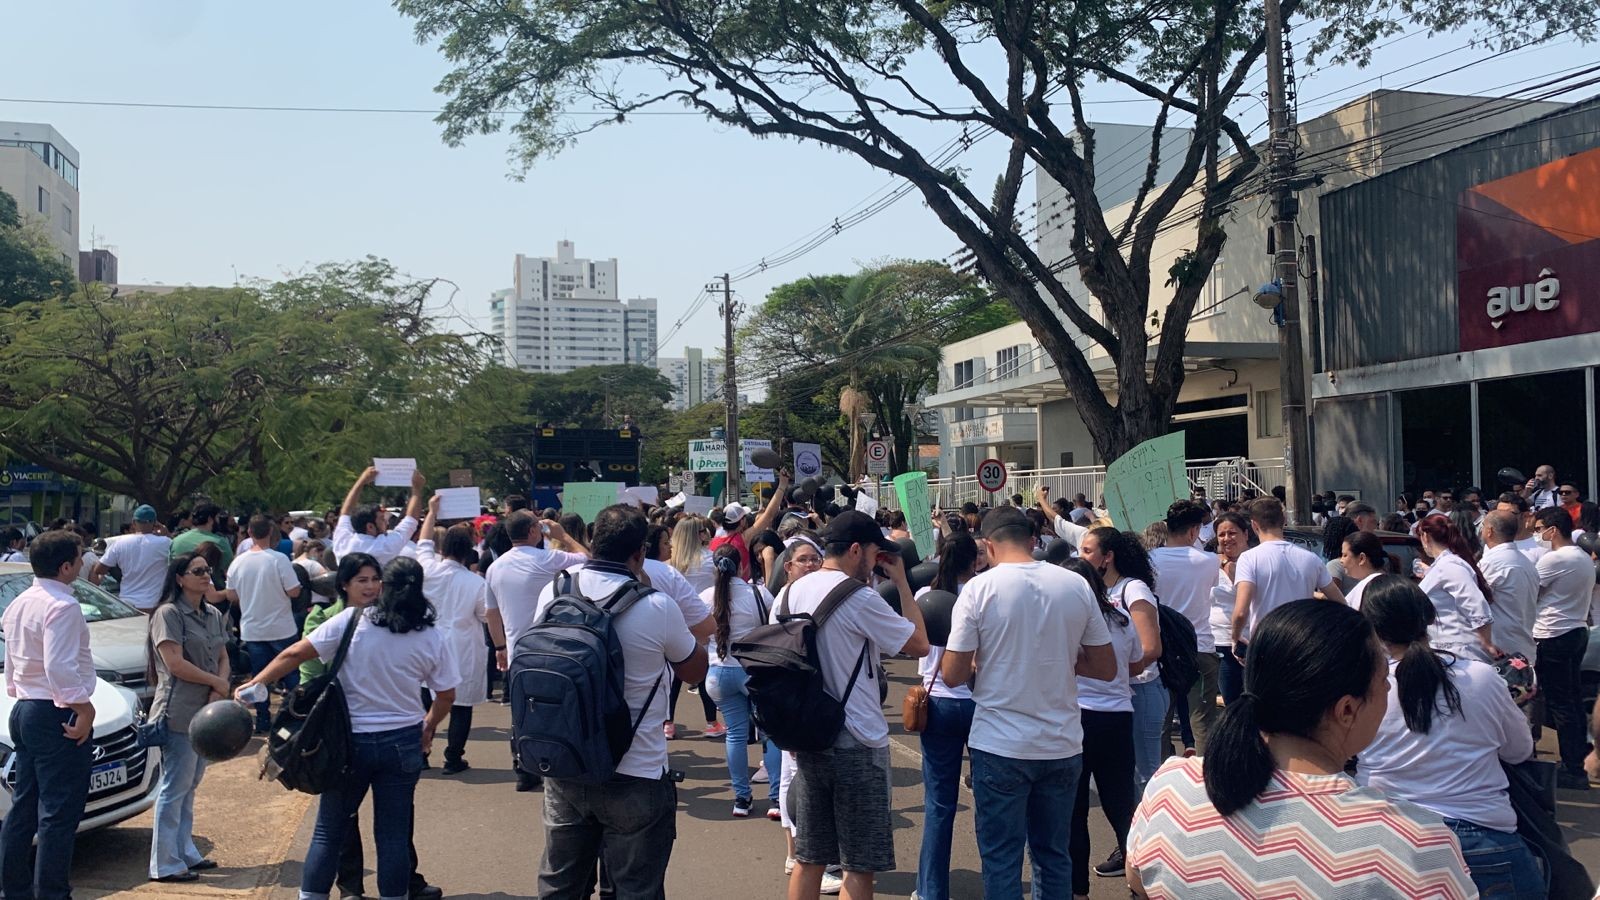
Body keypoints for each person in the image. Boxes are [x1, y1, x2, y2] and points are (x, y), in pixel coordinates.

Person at [1126, 599, 1475, 898]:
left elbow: (1137, 879)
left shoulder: (1172, 787)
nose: (1389, 689)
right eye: (1384, 678)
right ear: (1347, 710)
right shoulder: (1414, 844)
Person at [236, 557, 457, 900]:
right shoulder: (429, 635)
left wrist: (256, 683)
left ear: (384, 586)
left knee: (329, 831)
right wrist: (428, 726)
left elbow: (296, 653)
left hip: (348, 744)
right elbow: (446, 695)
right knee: (393, 836)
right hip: (402, 744)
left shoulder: (353, 620)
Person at [532, 504, 708, 898]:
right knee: (635, 889)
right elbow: (695, 672)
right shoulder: (655, 605)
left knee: (562, 884)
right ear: (639, 553)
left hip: (566, 761)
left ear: (592, 544)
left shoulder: (556, 590)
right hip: (636, 770)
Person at [942, 506, 1112, 900]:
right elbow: (1105, 667)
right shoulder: (1075, 584)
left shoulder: (978, 590)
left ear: (988, 545)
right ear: (1034, 541)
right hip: (1061, 742)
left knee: (1001, 858)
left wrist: (981, 660)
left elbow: (951, 674)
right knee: (1054, 855)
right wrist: (1063, 656)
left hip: (999, 743)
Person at [1355, 576, 1542, 896]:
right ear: (1428, 617)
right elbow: (1520, 750)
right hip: (1486, 843)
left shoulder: (1362, 692)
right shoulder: (1482, 678)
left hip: (1390, 839)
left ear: (1372, 630)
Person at [787, 510, 929, 900]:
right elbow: (919, 644)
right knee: (858, 863)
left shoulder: (790, 591)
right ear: (855, 550)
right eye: (874, 554)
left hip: (808, 735)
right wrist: (901, 583)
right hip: (858, 740)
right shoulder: (858, 597)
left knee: (810, 856)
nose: (876, 563)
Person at [0, 531, 96, 900]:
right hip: (54, 709)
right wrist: (84, 709)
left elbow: (13, 658)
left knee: (25, 806)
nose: (83, 562)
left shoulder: (21, 601)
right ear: (66, 566)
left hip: (26, 706)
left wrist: (18, 690)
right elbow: (59, 667)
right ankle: (53, 893)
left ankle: (16, 889)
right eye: (79, 557)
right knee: (58, 813)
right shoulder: (62, 606)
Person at [484, 510, 589, 786]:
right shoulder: (546, 558)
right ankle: (552, 762)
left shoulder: (495, 567)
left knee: (520, 711)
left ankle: (523, 767)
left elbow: (491, 613)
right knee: (552, 709)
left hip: (517, 647)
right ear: (533, 531)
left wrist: (499, 646)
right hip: (550, 647)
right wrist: (561, 535)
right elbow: (588, 559)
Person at [146, 553, 230, 883]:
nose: (205, 575)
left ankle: (185, 852)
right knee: (175, 786)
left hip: (207, 711)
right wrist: (215, 683)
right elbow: (175, 664)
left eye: (208, 570)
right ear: (179, 578)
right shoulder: (168, 614)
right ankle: (164, 863)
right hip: (179, 711)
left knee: (191, 784)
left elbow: (223, 655)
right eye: (197, 571)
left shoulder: (211, 613)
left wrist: (219, 688)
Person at [1062, 557, 1141, 900]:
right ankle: (1141, 886)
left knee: (1074, 811)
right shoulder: (1121, 619)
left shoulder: (1066, 621)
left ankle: (1078, 892)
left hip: (1076, 718)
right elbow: (1136, 661)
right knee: (1122, 807)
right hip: (1118, 718)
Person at [914, 532, 981, 900]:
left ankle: (930, 891)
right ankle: (999, 883)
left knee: (938, 804)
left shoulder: (926, 596)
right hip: (978, 700)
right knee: (989, 800)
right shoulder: (982, 594)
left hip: (937, 702)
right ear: (975, 560)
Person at [1079, 527, 1162, 807]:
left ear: (1108, 557)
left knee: (1144, 774)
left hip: (1142, 691)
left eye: (1088, 551)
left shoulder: (1133, 589)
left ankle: (1151, 843)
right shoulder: (1098, 591)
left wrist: (1107, 673)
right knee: (1120, 783)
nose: (1081, 556)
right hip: (1116, 697)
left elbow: (1151, 648)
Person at [701, 544, 782, 818]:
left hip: (718, 673)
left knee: (735, 735)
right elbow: (774, 628)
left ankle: (741, 799)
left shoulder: (706, 597)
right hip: (754, 671)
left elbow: (698, 635)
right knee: (769, 733)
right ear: (741, 565)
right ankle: (776, 799)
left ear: (715, 567)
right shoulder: (758, 593)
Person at [416, 496, 490, 775]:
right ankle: (453, 758)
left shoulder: (427, 569)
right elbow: (485, 615)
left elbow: (423, 543)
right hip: (462, 647)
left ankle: (421, 752)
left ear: (443, 548)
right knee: (461, 705)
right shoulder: (475, 583)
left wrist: (432, 513)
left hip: (428, 643)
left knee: (427, 700)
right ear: (469, 550)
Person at [1230, 497, 1344, 662]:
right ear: (1283, 521)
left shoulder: (1249, 558)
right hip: (1303, 644)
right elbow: (1340, 602)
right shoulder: (1310, 558)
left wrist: (1235, 639)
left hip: (1265, 644)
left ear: (1254, 525)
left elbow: (1241, 612)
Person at [219, 514, 305, 733]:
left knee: (259, 679)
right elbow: (294, 591)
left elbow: (230, 595)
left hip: (253, 629)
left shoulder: (238, 562)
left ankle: (263, 720)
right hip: (282, 628)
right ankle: (295, 718)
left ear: (249, 533)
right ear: (271, 532)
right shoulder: (279, 559)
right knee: (291, 675)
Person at [1532, 506, 1595, 790]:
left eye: (1538, 528)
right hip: (1575, 631)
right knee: (1569, 700)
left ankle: (1573, 767)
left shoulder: (1555, 559)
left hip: (1553, 634)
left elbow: (1529, 589)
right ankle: (1576, 761)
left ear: (1552, 530)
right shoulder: (1581, 556)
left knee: (1559, 704)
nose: (1537, 534)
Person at [1149, 501, 1220, 754]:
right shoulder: (1210, 560)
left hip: (1162, 650)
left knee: (1161, 722)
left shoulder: (1150, 560)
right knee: (1202, 722)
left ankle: (1159, 776)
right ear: (1193, 531)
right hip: (1200, 647)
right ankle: (1203, 780)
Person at [1414, 516, 1499, 662]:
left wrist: (1487, 642)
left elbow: (1475, 604)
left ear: (1425, 536)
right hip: (1447, 649)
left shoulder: (1449, 565)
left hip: (1459, 652)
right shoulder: (1445, 565)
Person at [1477, 510, 1540, 666]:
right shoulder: (1526, 562)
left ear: (1489, 531)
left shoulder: (1492, 563)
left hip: (1502, 650)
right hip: (1523, 643)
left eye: (1483, 526)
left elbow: (1474, 600)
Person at [332, 467, 425, 565]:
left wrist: (361, 481)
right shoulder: (383, 547)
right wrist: (417, 489)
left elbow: (345, 511)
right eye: (381, 519)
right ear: (370, 527)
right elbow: (411, 520)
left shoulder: (342, 542)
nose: (386, 522)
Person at [92, 504, 173, 611]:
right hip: (155, 606)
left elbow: (99, 569)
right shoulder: (166, 543)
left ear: (134, 523)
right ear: (155, 523)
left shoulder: (120, 543)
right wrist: (167, 534)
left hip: (127, 606)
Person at [711, 471, 789, 579]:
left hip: (718, 590)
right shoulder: (743, 539)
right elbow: (769, 515)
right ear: (742, 521)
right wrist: (782, 485)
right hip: (742, 588)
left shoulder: (712, 542)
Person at [1208, 512, 1252, 704]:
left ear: (1246, 534)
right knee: (1231, 703)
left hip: (1251, 640)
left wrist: (1233, 570)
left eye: (1232, 533)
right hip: (1220, 642)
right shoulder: (1210, 563)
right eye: (1221, 535)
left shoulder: (1254, 561)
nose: (1227, 539)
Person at [169, 502, 233, 589]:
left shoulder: (176, 541)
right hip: (215, 594)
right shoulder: (220, 542)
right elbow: (229, 572)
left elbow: (170, 570)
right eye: (217, 518)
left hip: (181, 591)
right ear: (210, 519)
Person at [1338, 531, 1388, 610]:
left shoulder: (1365, 589)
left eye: (1345, 555)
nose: (1341, 560)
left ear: (1362, 558)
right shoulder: (1390, 583)